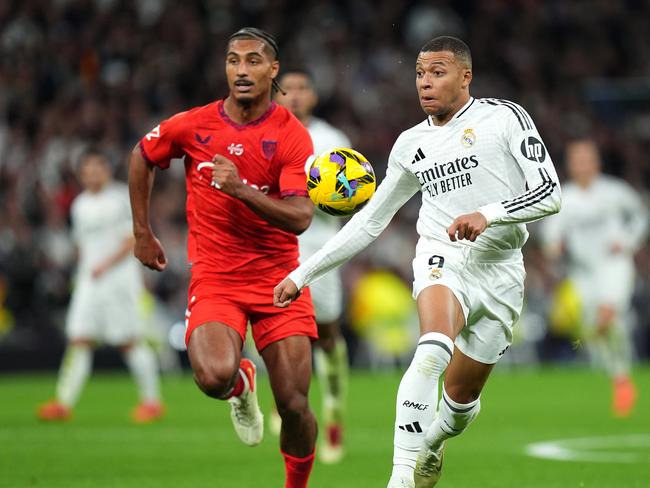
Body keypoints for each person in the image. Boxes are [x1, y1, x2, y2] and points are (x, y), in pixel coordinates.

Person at [274, 36, 562, 488]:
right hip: (442, 255)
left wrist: (487, 215)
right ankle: (400, 477)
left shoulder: (503, 117)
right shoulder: (411, 145)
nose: (425, 83)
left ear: (465, 76)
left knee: (460, 405)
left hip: (503, 268)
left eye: (438, 72)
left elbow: (550, 193)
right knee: (431, 349)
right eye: (420, 73)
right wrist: (303, 273)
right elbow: (370, 221)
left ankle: (433, 443)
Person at [128, 28, 318, 488]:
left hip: (280, 279)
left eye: (253, 61)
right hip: (217, 277)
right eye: (233, 61)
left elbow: (300, 217)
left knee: (293, 404)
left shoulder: (292, 136)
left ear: (273, 71)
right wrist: (141, 231)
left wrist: (239, 189)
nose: (241, 70)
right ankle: (240, 385)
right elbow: (142, 154)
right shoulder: (194, 124)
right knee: (213, 376)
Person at [38, 150, 164, 423]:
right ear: (81, 174)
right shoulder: (79, 204)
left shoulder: (120, 198)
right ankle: (63, 402)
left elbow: (134, 238)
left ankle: (152, 402)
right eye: (88, 169)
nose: (93, 173)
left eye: (98, 167)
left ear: (107, 170)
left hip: (118, 282)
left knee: (128, 342)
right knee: (78, 339)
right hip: (89, 281)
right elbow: (82, 245)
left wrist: (105, 265)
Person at [275, 68, 351, 464]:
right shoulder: (266, 133)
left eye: (303, 88)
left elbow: (354, 193)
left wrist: (325, 195)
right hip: (276, 247)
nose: (295, 96)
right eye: (287, 89)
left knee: (326, 333)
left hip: (321, 246)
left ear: (314, 96)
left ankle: (335, 414)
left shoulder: (331, 140)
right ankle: (286, 403)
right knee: (276, 331)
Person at [541, 138, 646, 417]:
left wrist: (627, 241)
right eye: (577, 160)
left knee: (606, 315)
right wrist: (554, 247)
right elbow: (550, 236)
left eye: (587, 159)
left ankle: (621, 377)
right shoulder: (565, 198)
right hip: (582, 273)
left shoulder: (615, 191)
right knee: (599, 330)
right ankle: (620, 378)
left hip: (614, 265)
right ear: (570, 165)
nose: (582, 165)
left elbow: (640, 217)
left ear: (596, 162)